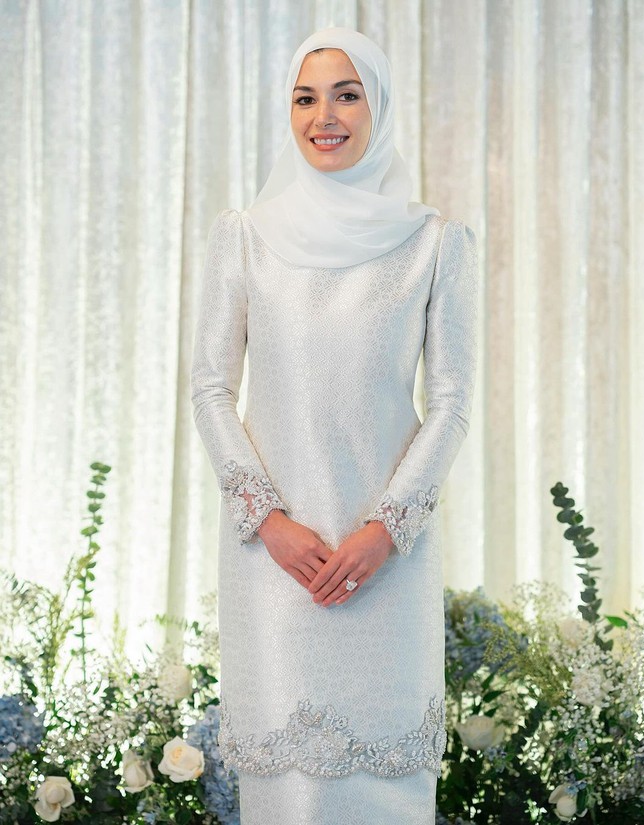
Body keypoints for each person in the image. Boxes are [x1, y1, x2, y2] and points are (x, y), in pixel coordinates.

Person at [191, 26, 478, 825]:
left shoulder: (434, 244)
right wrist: (268, 522)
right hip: (273, 566)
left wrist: (386, 530)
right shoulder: (244, 238)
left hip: (387, 566)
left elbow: (452, 401)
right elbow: (211, 389)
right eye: (305, 97)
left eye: (347, 95)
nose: (325, 116)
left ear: (377, 107)